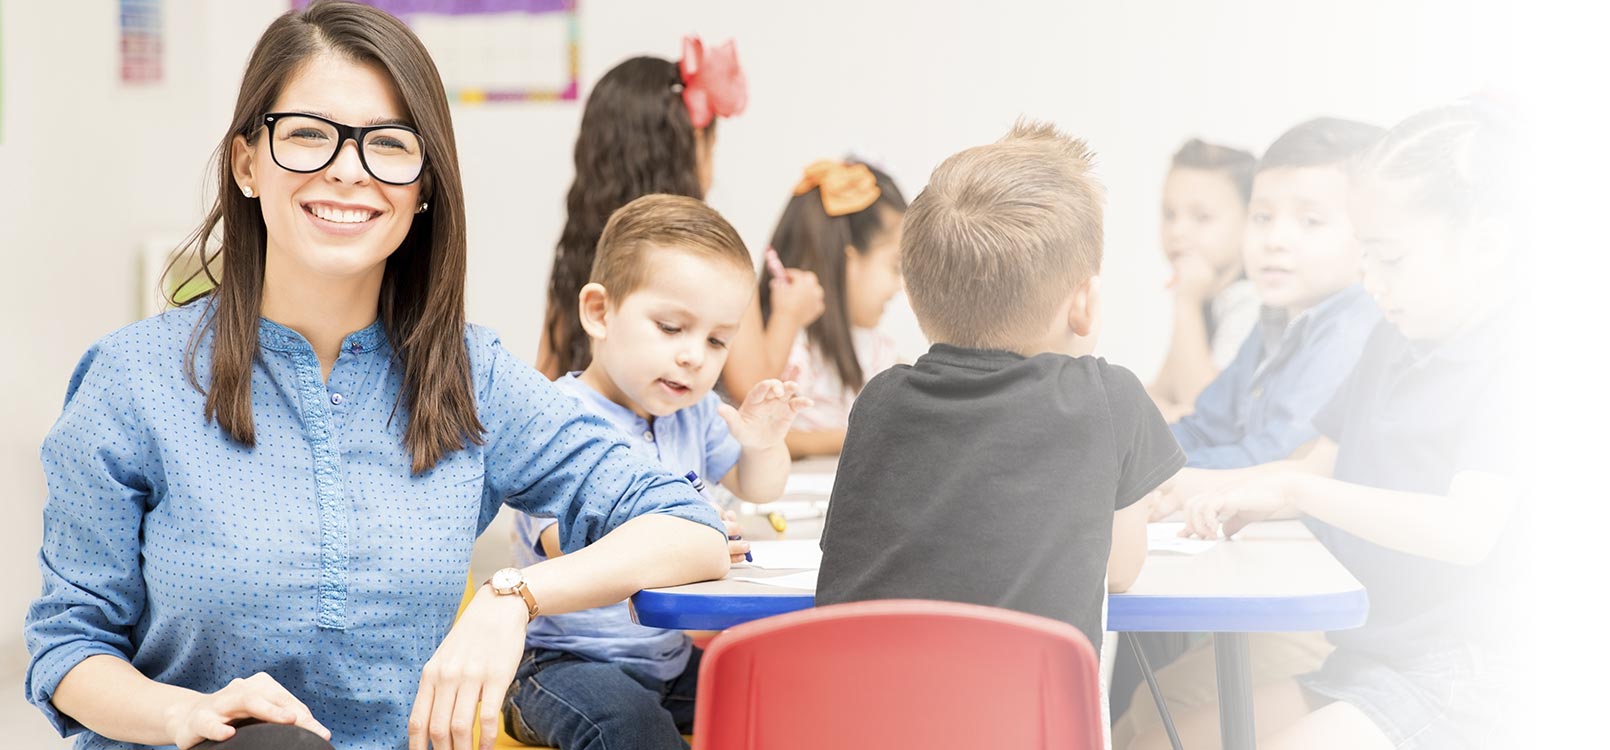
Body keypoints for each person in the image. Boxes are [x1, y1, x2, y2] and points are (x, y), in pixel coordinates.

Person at [23, 4, 729, 749]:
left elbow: (689, 529)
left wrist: (513, 596)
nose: (348, 170)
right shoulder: (132, 378)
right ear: (247, 163)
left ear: (423, 185)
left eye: (389, 145)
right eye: (307, 134)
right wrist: (183, 713)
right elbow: (69, 647)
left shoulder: (468, 374)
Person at [1140, 100, 1530, 750]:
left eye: (1391, 260)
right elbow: (1314, 465)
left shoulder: (1522, 360)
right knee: (1159, 739)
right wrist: (1191, 485)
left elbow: (1468, 530)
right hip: (1365, 658)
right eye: (1367, 258)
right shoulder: (1392, 337)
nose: (1371, 283)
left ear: (1487, 242)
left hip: (1465, 676)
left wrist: (1296, 494)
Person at [816, 120, 1183, 655]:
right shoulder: (1109, 398)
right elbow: (1121, 572)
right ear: (1084, 302)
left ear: (916, 300)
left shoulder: (879, 400)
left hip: (855, 724)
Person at [506, 194, 809, 750]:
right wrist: (680, 533)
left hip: (668, 664)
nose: (695, 355)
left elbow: (760, 489)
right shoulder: (556, 419)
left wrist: (763, 444)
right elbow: (559, 543)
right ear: (599, 312)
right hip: (563, 666)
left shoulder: (692, 413)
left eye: (717, 339)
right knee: (634, 727)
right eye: (672, 328)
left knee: (789, 697)